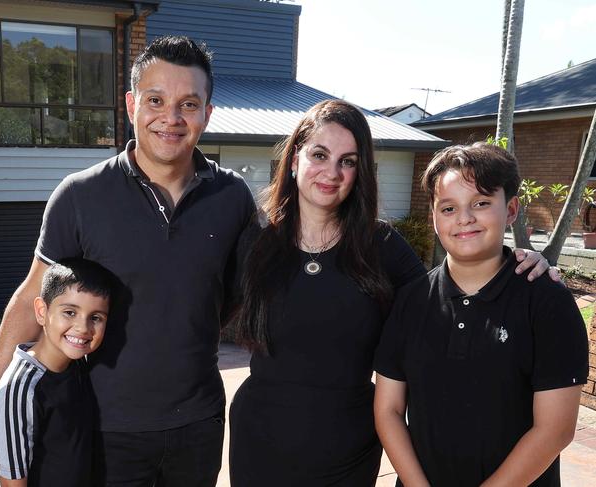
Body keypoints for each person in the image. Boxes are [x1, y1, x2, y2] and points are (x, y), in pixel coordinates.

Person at [228, 102, 554, 486]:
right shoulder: (256, 241)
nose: (332, 172)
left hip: (346, 446)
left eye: (348, 161)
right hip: (259, 438)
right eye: (319, 154)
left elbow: (446, 297)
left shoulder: (381, 246)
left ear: (360, 172)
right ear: (295, 159)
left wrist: (519, 262)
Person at [0, 36, 256, 486]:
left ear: (207, 113)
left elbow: (230, 297)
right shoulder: (79, 195)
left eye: (188, 104)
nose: (171, 118)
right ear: (131, 105)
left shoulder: (232, 198)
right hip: (104, 426)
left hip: (199, 425)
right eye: (155, 100)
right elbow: (33, 297)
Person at [374, 142, 588, 487]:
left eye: (482, 203)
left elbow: (555, 429)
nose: (464, 218)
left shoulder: (548, 301)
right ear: (433, 215)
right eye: (448, 208)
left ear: (512, 209)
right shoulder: (411, 301)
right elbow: (389, 410)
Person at [0, 258, 113, 487]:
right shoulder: (20, 388)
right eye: (70, 312)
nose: (83, 328)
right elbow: (12, 482)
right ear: (42, 311)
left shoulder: (78, 367)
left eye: (95, 317)